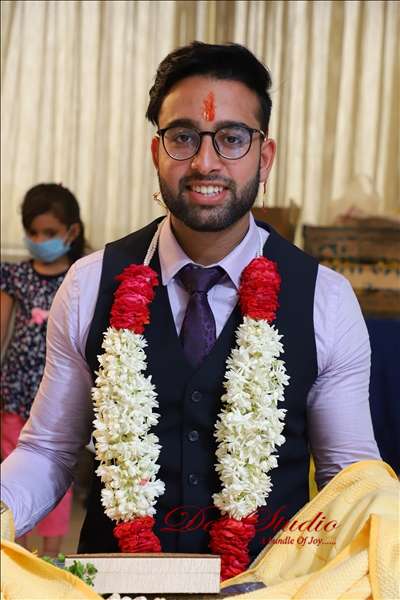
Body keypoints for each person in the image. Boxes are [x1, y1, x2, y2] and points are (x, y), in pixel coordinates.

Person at [1, 43, 380, 570]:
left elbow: (350, 481)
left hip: (265, 588)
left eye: (232, 138)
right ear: (155, 153)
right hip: (115, 586)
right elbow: (48, 451)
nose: (205, 163)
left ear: (265, 157)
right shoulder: (89, 285)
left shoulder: (325, 299)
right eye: (182, 137)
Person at [1, 183, 87, 556]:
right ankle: (15, 556)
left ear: (71, 231)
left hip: (62, 396)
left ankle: (51, 559)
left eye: (49, 233)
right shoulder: (15, 276)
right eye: (33, 233)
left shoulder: (83, 277)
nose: (39, 240)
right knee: (15, 475)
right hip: (16, 393)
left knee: (55, 477)